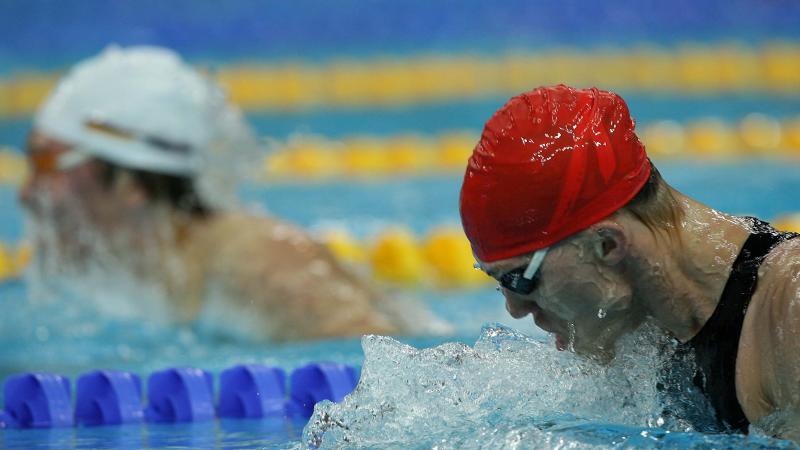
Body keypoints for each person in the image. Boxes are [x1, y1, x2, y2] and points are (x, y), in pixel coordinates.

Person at [20, 46, 447, 341]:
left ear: (132, 185)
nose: (25, 193)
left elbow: (397, 381)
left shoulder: (257, 262)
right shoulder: (136, 274)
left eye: (45, 163)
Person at [459, 85, 800, 438]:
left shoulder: (788, 317)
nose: (515, 309)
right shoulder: (640, 331)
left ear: (607, 245)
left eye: (520, 278)